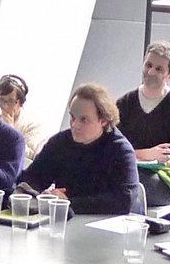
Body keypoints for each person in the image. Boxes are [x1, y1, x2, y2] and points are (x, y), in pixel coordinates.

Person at [14, 84, 138, 214]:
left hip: (112, 225)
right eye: (72, 117)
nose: (75, 125)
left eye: (84, 120)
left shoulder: (121, 150)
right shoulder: (60, 143)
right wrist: (38, 194)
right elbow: (32, 177)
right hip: (69, 220)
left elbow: (124, 201)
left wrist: (67, 202)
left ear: (104, 121)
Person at [115, 41, 170, 208]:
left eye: (158, 69)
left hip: (161, 179)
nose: (150, 72)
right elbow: (112, 150)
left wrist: (153, 162)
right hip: (127, 171)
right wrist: (147, 154)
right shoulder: (124, 103)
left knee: (137, 184)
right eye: (148, 65)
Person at [0, 74, 41, 166]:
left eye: (10, 101)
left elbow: (30, 156)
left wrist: (11, 132)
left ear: (20, 102)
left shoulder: (32, 126)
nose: (5, 106)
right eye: (1, 100)